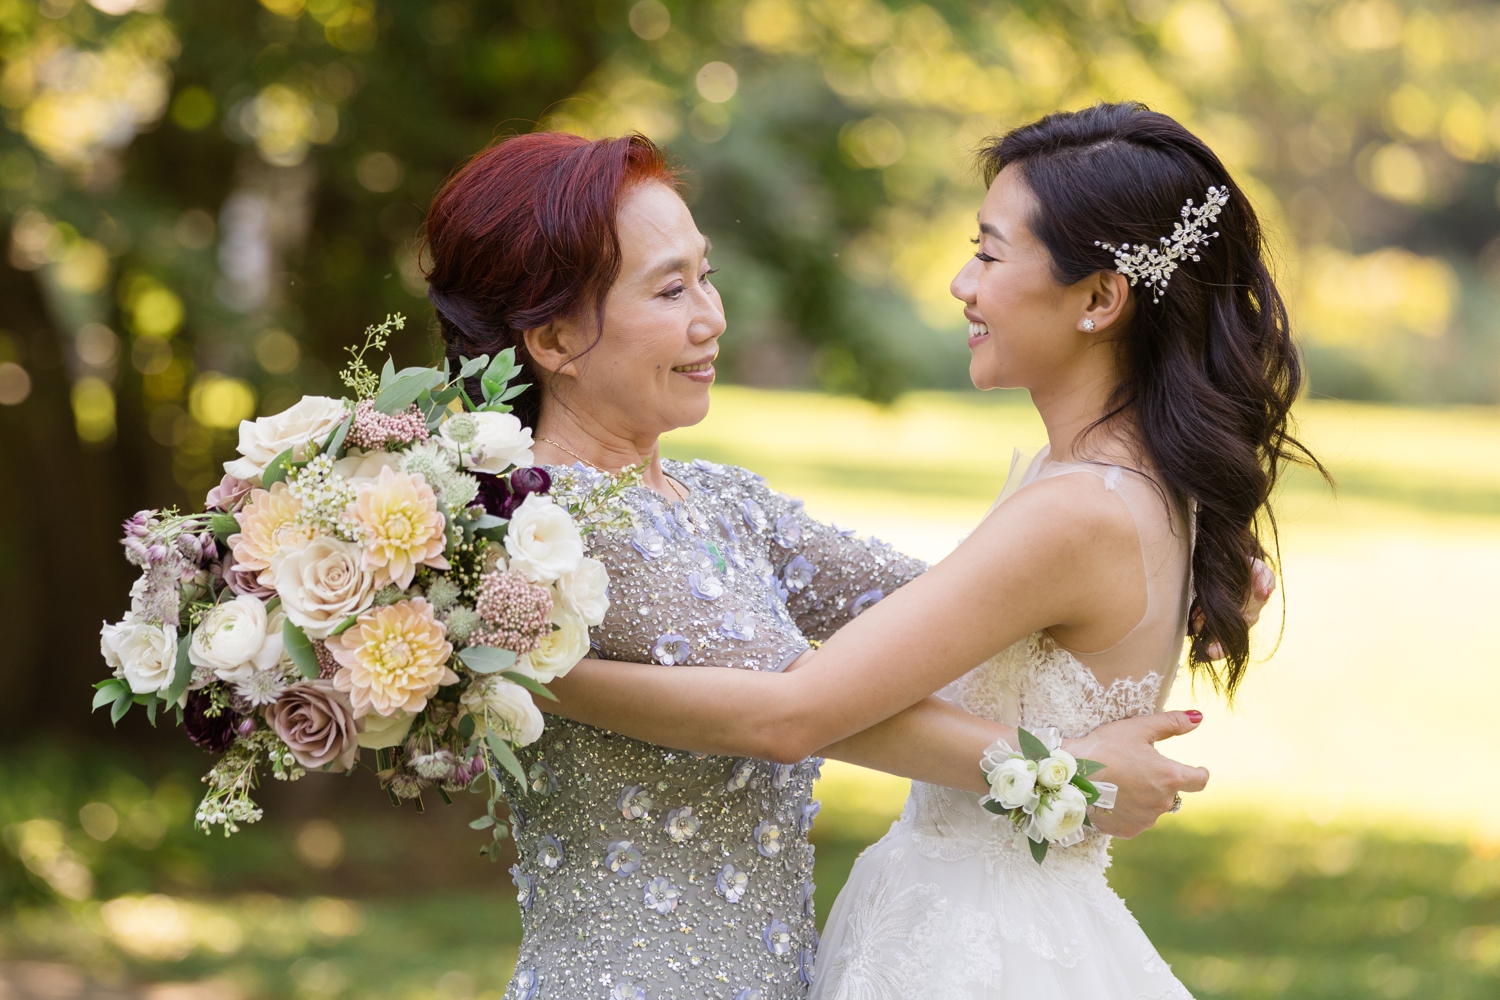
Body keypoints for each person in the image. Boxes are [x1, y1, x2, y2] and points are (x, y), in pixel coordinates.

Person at [424, 129, 1241, 1000]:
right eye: (671, 289)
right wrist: (1060, 777)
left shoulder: (721, 502)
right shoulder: (555, 540)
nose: (713, 317)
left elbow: (945, 612)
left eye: (706, 274)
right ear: (551, 340)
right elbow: (794, 712)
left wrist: (1146, 582)